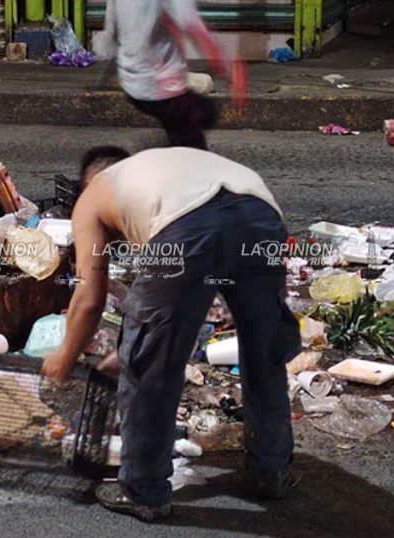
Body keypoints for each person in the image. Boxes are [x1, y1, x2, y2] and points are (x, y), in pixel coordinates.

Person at [42, 146, 301, 522]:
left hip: (186, 229)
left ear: (89, 180)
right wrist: (131, 347)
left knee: (151, 365)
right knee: (265, 350)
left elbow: (88, 298)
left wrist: (64, 358)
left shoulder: (91, 198)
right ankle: (272, 472)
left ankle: (144, 491)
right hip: (260, 216)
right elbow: (189, 310)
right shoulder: (162, 168)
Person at [98, 0, 248, 150]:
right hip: (163, 88)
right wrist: (229, 71)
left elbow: (111, 29)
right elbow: (194, 28)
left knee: (204, 111)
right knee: (196, 152)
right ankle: (156, 154)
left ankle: (168, 149)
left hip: (132, 82)